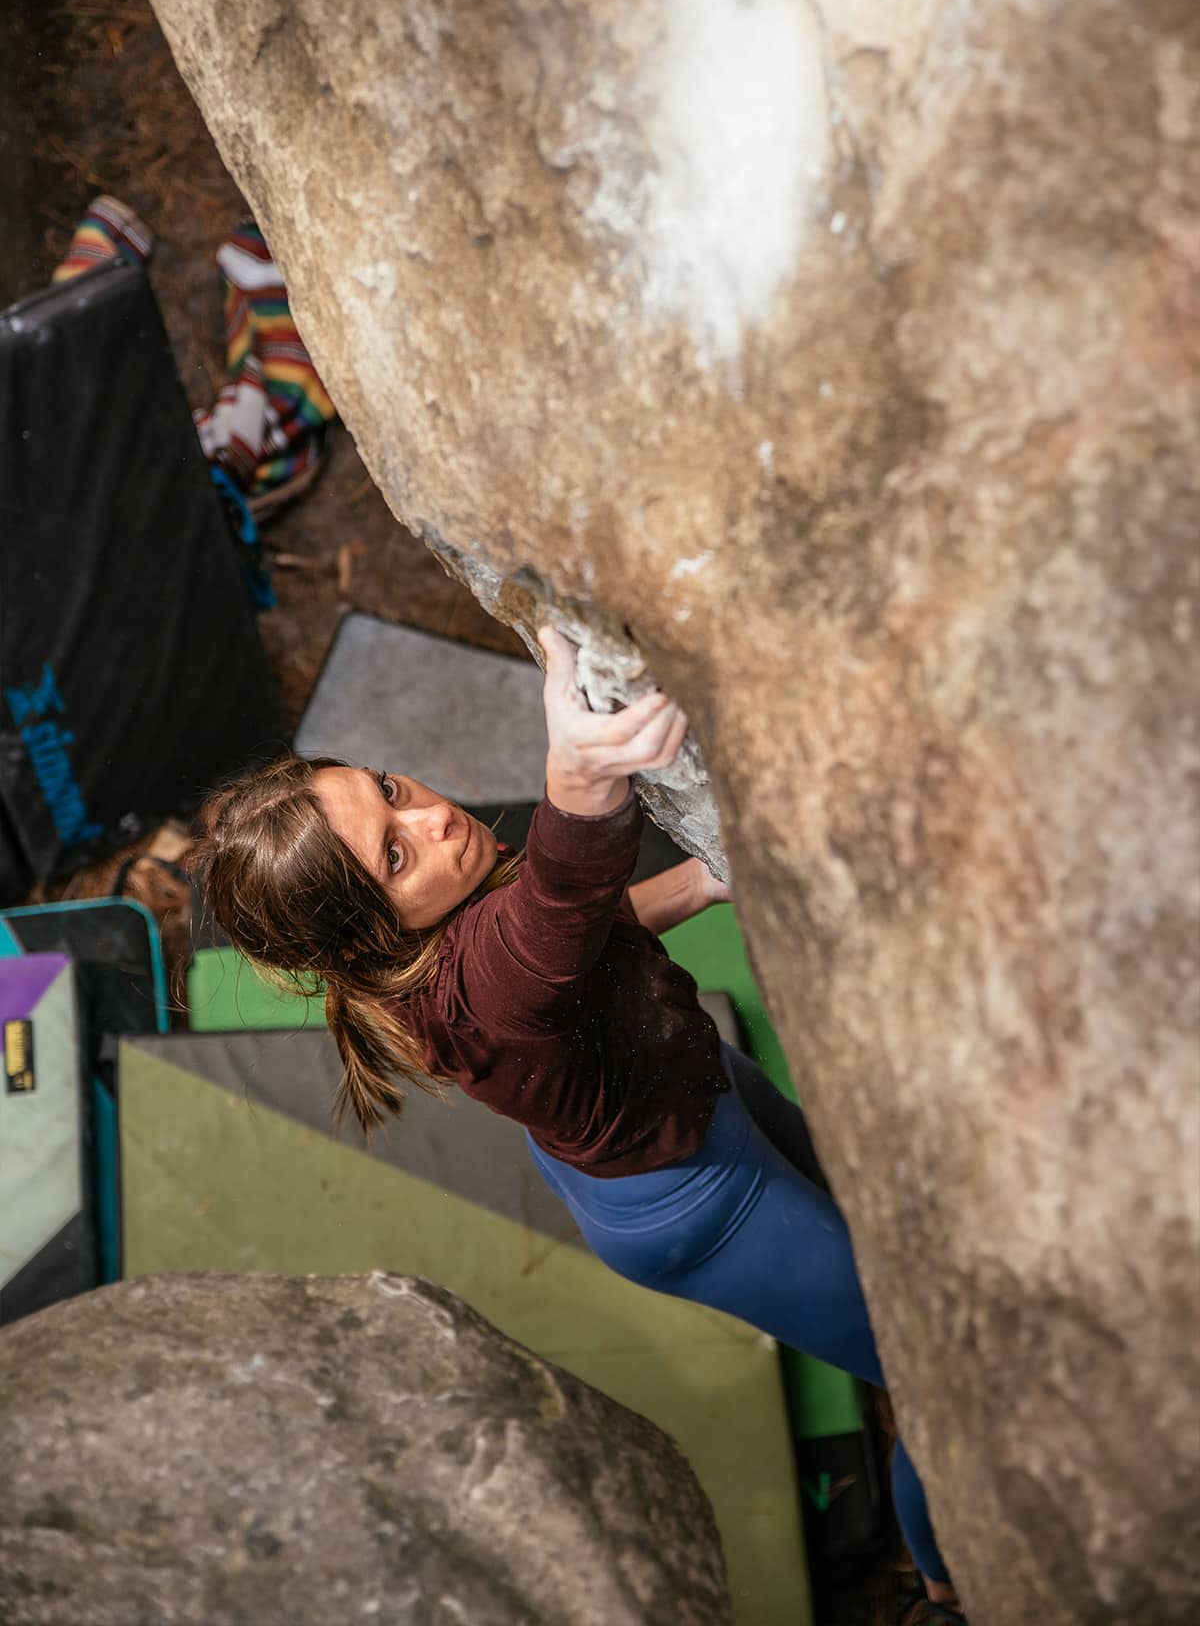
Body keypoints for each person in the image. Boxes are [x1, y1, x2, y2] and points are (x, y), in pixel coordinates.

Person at [190, 626, 966, 1625]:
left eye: (388, 786)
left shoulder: (468, 933)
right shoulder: (478, 989)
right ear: (371, 934)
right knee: (936, 1381)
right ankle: (947, 1587)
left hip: (680, 1096)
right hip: (699, 1202)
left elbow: (582, 941)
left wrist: (708, 878)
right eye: (394, 852)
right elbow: (559, 902)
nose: (428, 816)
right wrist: (580, 770)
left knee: (892, 1246)